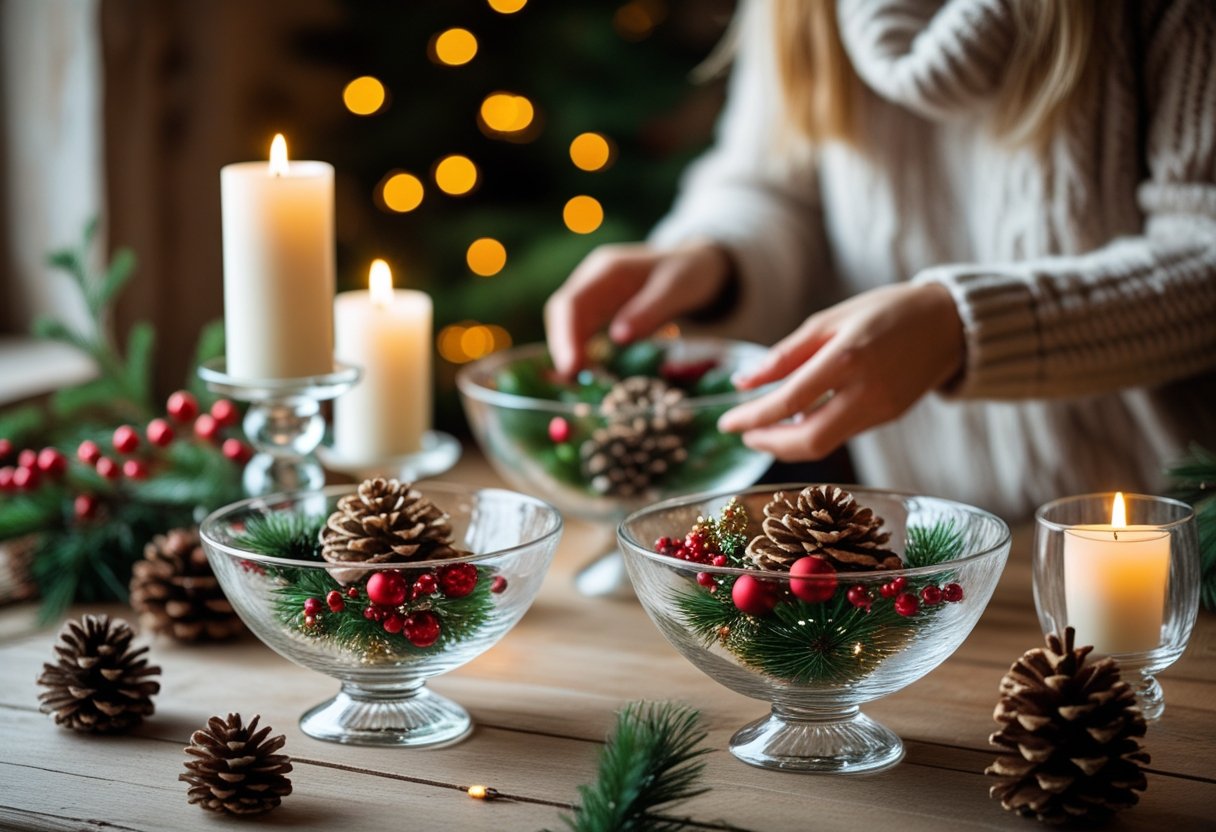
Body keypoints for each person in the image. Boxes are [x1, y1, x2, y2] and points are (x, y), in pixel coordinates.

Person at [544, 0, 1216, 519]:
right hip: (933, 531)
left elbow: (1203, 251)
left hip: (1181, 534)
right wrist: (711, 257)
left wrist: (961, 329)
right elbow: (771, 182)